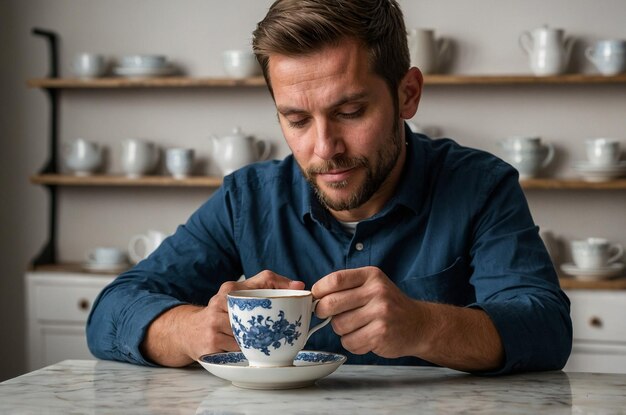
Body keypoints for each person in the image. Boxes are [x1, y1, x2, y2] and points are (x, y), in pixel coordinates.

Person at [87, 0, 572, 375]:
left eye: (350, 113)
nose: (324, 149)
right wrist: (193, 330)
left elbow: (545, 328)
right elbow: (111, 311)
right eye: (297, 119)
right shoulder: (246, 200)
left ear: (408, 95)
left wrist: (424, 326)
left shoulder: (481, 187)